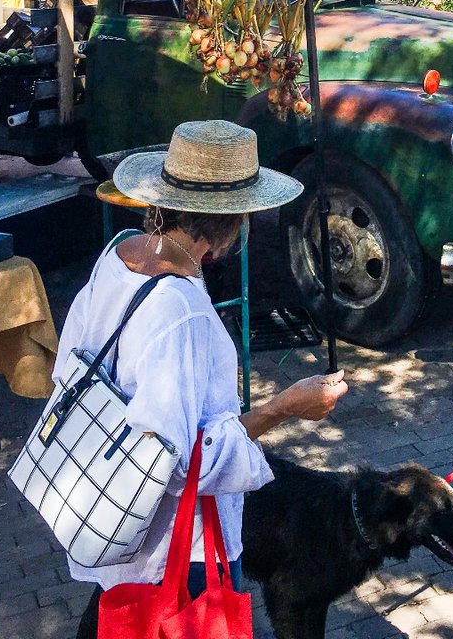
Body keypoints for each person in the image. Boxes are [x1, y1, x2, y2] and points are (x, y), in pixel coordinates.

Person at [70, 121, 348, 639]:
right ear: (231, 222)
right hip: (173, 548)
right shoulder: (184, 312)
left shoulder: (119, 255)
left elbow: (74, 369)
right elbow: (176, 461)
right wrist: (284, 407)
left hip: (107, 512)